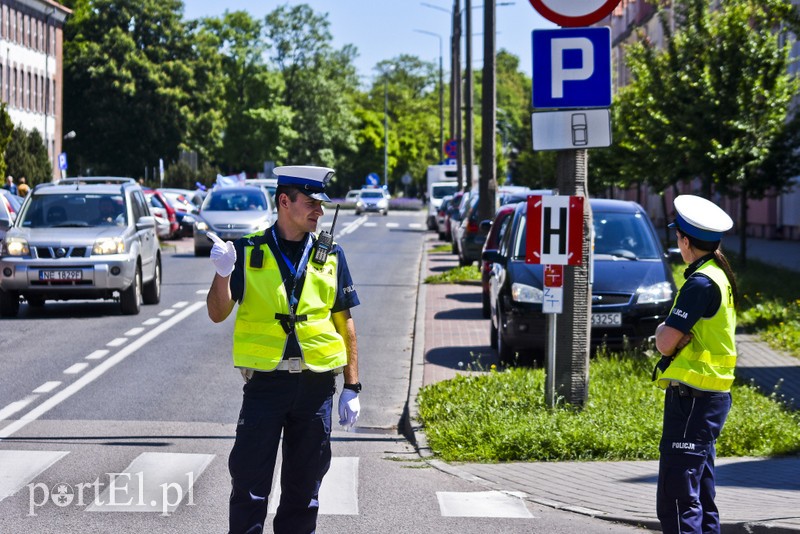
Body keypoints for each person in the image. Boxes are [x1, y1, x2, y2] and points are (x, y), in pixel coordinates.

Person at [206, 165, 361, 534]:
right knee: (249, 488)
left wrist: (352, 387)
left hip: (316, 388)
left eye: (321, 205)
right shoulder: (248, 251)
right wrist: (223, 273)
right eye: (311, 203)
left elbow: (345, 323)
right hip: (265, 385)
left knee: (304, 493)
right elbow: (217, 312)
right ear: (284, 202)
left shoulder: (332, 255)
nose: (319, 211)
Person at [652, 194, 738, 534]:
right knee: (700, 492)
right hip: (709, 398)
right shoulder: (719, 275)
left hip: (692, 401)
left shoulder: (699, 283)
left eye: (678, 237)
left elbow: (665, 342)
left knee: (677, 496)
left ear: (685, 241)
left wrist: (663, 330)